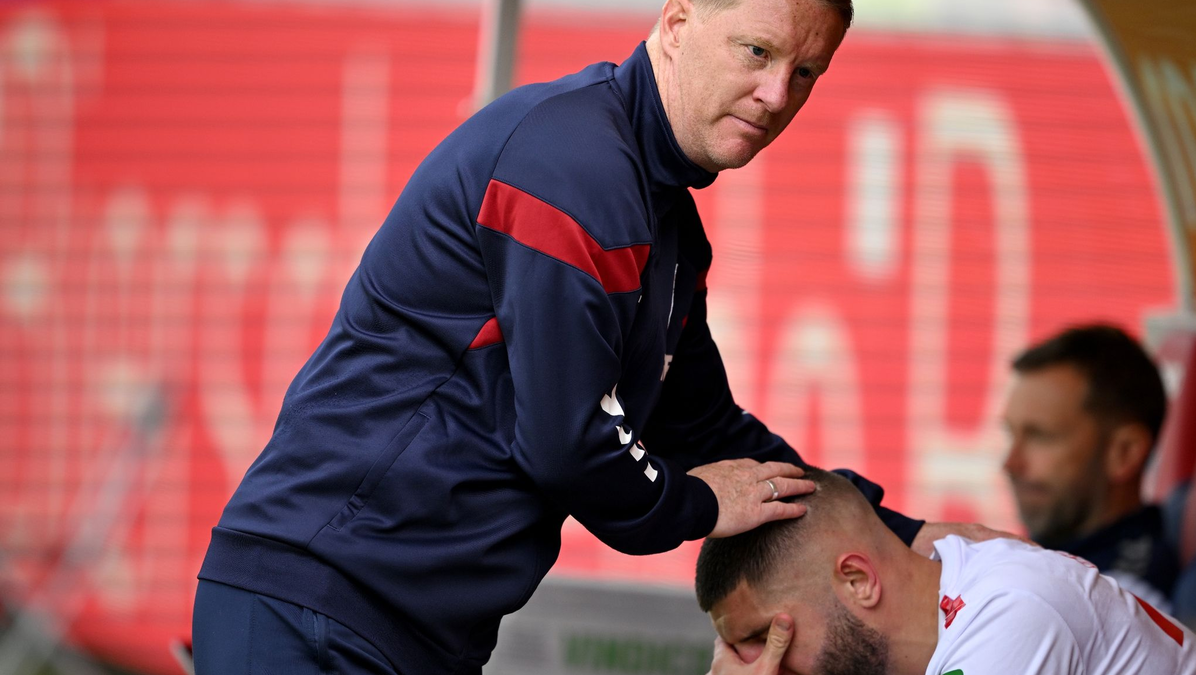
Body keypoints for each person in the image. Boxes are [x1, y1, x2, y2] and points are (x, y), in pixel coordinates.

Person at [191, 0, 979, 672]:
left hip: (403, 624)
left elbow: (703, 427)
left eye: (806, 72)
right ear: (675, 22)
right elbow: (571, 443)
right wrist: (697, 502)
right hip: (318, 601)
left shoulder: (663, 217)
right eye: (758, 51)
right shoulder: (574, 165)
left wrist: (901, 531)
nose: (776, 93)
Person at [696, 468, 1196, 675]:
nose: (757, 668)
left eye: (764, 636)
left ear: (858, 580)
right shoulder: (950, 602)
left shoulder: (1007, 613)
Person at [1001, 324, 1178, 608]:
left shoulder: (1126, 603)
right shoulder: (1061, 564)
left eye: (1040, 436)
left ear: (1124, 453)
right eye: (1011, 433)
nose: (1011, 463)